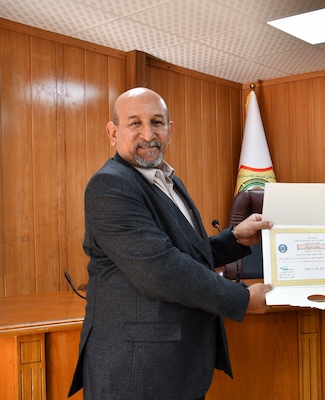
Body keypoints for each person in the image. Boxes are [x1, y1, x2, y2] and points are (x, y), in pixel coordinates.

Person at [68, 87, 273, 400]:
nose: (148, 134)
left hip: (174, 366)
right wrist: (241, 299)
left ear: (170, 130)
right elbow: (162, 269)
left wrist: (234, 238)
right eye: (135, 123)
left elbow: (184, 253)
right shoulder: (110, 185)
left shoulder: (168, 180)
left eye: (157, 122)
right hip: (136, 373)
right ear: (113, 133)